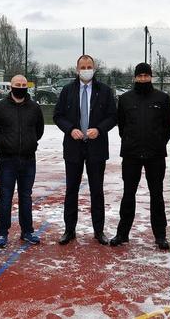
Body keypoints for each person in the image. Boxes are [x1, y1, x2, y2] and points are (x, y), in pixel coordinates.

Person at [53, 55, 117, 245]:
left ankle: (99, 231)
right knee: (71, 190)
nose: (86, 69)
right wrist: (70, 129)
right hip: (73, 148)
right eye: (83, 67)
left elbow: (113, 116)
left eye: (89, 66)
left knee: (97, 190)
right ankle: (69, 230)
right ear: (77, 69)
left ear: (94, 68)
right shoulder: (67, 90)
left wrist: (99, 129)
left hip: (96, 147)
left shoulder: (104, 91)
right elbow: (58, 115)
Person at [110, 63, 170, 250]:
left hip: (156, 155)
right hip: (131, 155)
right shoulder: (126, 99)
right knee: (128, 194)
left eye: (146, 75)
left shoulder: (162, 98)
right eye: (140, 76)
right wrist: (131, 141)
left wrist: (157, 143)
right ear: (135, 77)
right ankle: (122, 233)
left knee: (157, 195)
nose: (143, 79)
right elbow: (122, 126)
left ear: (151, 77)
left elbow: (167, 126)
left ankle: (160, 235)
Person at [0, 74, 44, 248]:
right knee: (5, 197)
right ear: (11, 86)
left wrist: (30, 141)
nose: (20, 87)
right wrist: (0, 142)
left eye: (23, 84)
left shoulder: (35, 108)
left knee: (26, 197)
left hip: (28, 159)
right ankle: (2, 233)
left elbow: (39, 130)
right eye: (17, 84)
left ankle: (27, 231)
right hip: (7, 159)